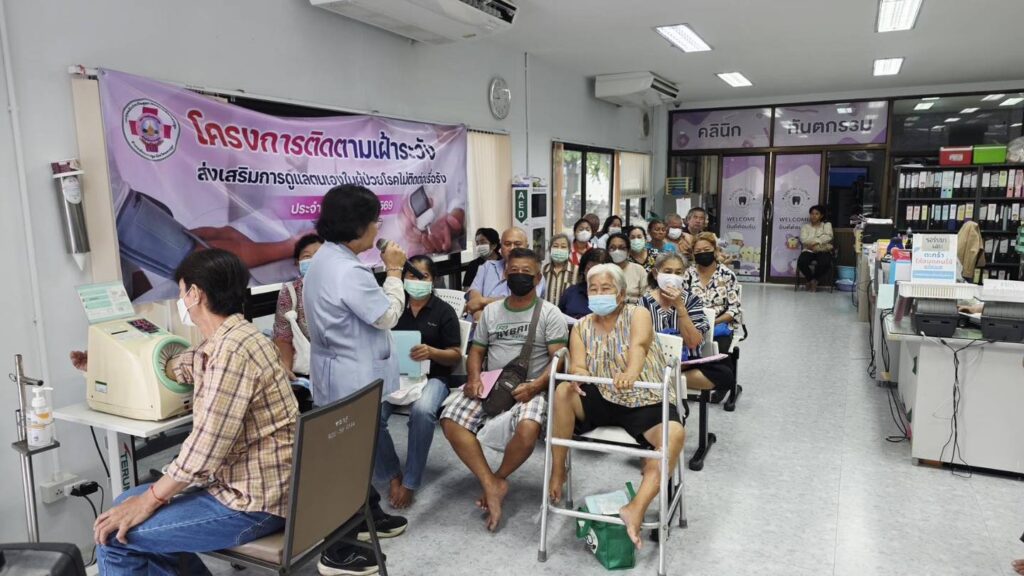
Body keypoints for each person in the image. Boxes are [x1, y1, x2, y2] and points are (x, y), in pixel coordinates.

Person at [78, 249, 299, 575]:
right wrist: (104, 364)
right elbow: (181, 364)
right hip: (262, 486)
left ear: (195, 294)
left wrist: (151, 500)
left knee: (113, 535)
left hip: (253, 503)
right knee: (123, 504)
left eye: (182, 291)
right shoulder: (240, 338)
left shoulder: (231, 353)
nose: (181, 299)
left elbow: (204, 451)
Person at [303, 184, 409, 575]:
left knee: (355, 456)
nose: (379, 227)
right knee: (348, 463)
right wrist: (394, 272)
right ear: (358, 226)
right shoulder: (348, 271)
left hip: (340, 373)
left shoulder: (327, 258)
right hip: (353, 379)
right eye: (375, 220)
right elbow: (386, 316)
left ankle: (367, 515)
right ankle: (339, 548)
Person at [548, 263, 684, 549]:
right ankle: (558, 469)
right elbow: (579, 365)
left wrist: (631, 373)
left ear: (621, 294)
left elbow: (639, 346)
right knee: (562, 391)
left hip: (646, 399)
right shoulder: (581, 326)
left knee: (674, 437)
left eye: (606, 289)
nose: (599, 294)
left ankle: (635, 508)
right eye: (594, 290)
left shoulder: (638, 314)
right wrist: (579, 375)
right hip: (603, 395)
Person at [440, 248, 568, 532]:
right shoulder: (492, 312)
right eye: (513, 272)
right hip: (492, 381)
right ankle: (490, 483)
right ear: (505, 275)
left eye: (526, 273)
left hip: (532, 385)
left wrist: (536, 385)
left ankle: (499, 477)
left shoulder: (550, 314)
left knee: (528, 428)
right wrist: (474, 378)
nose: (519, 276)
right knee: (450, 419)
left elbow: (558, 359)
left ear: (538, 278)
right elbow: (477, 351)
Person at [376, 255, 463, 509]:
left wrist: (432, 352)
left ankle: (410, 482)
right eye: (411, 275)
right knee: (371, 415)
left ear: (433, 279)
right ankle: (392, 474)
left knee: (423, 412)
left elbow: (455, 355)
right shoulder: (393, 309)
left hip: (435, 376)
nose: (416, 281)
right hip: (396, 375)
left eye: (423, 276)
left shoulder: (443, 311)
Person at [641, 253, 733, 397]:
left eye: (678, 273)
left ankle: (664, 382)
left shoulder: (691, 300)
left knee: (725, 373)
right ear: (655, 273)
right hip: (653, 362)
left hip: (686, 364)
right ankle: (668, 381)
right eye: (668, 271)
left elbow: (693, 342)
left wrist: (680, 307)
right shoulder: (643, 303)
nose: (673, 277)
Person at [683, 232, 743, 403]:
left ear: (715, 250)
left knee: (719, 342)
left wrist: (712, 322)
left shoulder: (727, 275)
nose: (703, 254)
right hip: (692, 323)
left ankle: (722, 382)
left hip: (719, 323)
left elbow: (734, 309)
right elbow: (680, 302)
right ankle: (691, 379)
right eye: (698, 251)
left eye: (706, 250)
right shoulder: (687, 274)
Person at [272, 234, 323, 382]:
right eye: (307, 256)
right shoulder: (290, 292)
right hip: (309, 369)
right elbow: (283, 338)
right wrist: (285, 370)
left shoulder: (341, 285)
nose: (313, 260)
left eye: (319, 255)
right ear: (297, 262)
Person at [466, 227, 547, 318]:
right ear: (501, 247)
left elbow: (523, 302)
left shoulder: (534, 275)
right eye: (507, 244)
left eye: (517, 244)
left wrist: (483, 301)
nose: (512, 248)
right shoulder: (487, 266)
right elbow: (474, 297)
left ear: (527, 247)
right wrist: (477, 312)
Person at [559, 248, 612, 319]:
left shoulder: (613, 295)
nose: (592, 274)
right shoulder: (570, 292)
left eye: (597, 270)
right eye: (589, 269)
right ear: (583, 270)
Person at [797, 205, 834, 292]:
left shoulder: (826, 225)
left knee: (825, 263)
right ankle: (810, 280)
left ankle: (815, 280)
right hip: (808, 249)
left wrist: (815, 242)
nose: (814, 216)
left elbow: (828, 236)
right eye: (812, 214)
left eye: (817, 214)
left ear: (821, 216)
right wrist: (820, 239)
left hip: (822, 249)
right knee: (801, 262)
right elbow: (803, 239)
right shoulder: (805, 227)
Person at [606, 232, 648, 304]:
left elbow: (646, 297)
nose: (617, 251)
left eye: (621, 248)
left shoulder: (639, 270)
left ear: (628, 251)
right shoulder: (602, 270)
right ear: (607, 251)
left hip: (635, 309)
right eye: (612, 248)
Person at [542, 233, 576, 307]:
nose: (559, 249)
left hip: (567, 313)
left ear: (569, 250)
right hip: (547, 312)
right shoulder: (544, 270)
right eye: (555, 246)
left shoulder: (576, 271)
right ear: (550, 249)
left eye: (563, 247)